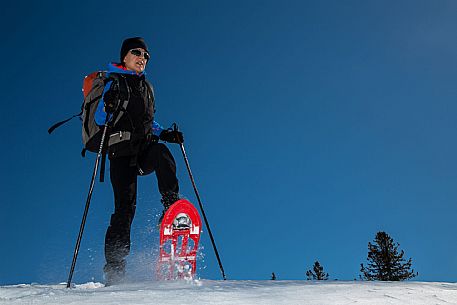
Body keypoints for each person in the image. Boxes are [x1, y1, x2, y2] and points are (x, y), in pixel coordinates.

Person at [96, 37, 184, 285]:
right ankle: (115, 269)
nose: (142, 58)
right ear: (125, 56)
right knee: (125, 209)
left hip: (143, 149)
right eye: (137, 53)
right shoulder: (113, 81)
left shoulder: (146, 88)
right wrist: (109, 104)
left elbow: (148, 122)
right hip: (121, 152)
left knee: (162, 153)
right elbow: (101, 119)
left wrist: (164, 132)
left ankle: (170, 207)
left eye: (146, 55)